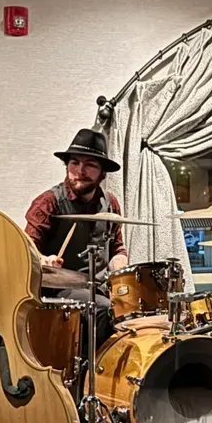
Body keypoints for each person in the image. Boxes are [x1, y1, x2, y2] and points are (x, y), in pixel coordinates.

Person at [24, 128, 129, 353]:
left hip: (100, 288)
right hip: (60, 292)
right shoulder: (48, 203)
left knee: (139, 311)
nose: (80, 171)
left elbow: (117, 248)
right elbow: (26, 247)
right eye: (74, 163)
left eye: (90, 164)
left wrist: (122, 267)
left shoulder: (110, 204)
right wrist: (42, 259)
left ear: (102, 173)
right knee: (101, 308)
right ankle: (93, 374)